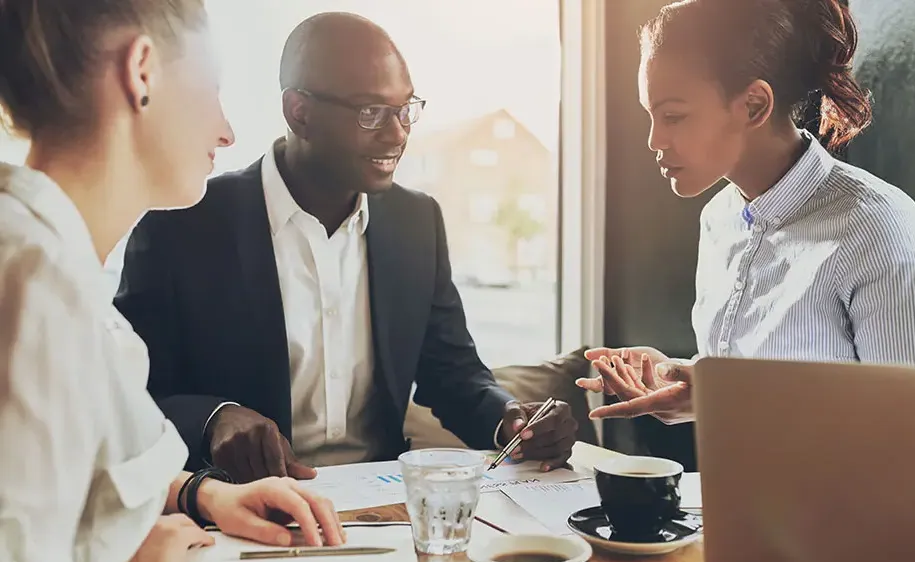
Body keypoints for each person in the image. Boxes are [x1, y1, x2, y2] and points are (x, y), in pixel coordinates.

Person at [114, 12, 578, 484]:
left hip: (384, 499)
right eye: (370, 112)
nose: (397, 134)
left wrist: (512, 419)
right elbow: (130, 392)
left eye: (405, 110)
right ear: (299, 112)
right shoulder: (182, 224)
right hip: (240, 505)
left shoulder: (416, 222)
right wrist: (216, 417)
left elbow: (454, 372)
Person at [0, 1, 345, 562]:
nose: (228, 131)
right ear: (142, 71)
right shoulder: (35, 288)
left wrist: (208, 494)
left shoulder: (64, 276)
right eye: (211, 88)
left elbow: (89, 467)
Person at [578, 0, 915, 424]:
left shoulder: (878, 230)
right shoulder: (719, 220)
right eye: (651, 116)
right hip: (737, 490)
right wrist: (687, 387)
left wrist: (728, 396)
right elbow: (759, 394)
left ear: (753, 106)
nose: (655, 140)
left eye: (673, 116)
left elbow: (914, 429)